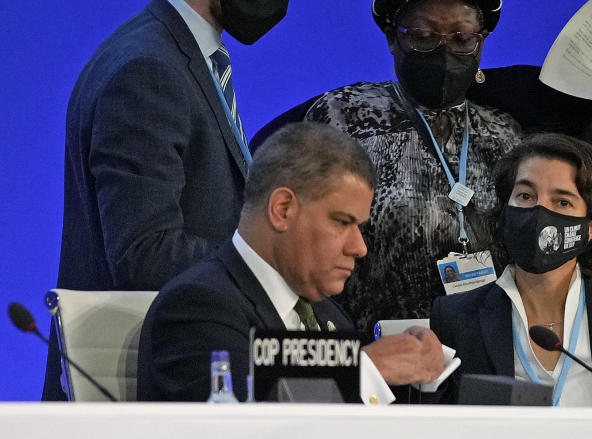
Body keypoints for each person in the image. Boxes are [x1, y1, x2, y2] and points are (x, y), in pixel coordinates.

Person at [252, 0, 592, 333]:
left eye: (462, 38)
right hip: (375, 355)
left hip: (491, 355)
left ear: (481, 41)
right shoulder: (342, 115)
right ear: (393, 38)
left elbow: (579, 218)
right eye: (424, 36)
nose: (443, 49)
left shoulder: (509, 128)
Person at [45, 0, 298, 400]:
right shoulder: (147, 71)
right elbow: (146, 251)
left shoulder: (183, 55)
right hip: (142, 387)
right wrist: (269, 264)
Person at [137, 122, 445, 403]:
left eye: (360, 228)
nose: (359, 247)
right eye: (341, 222)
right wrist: (364, 371)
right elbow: (240, 425)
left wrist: (414, 370)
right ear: (283, 209)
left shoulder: (331, 316)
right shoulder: (199, 307)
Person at [431, 133, 592, 407]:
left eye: (562, 202)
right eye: (525, 195)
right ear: (505, 210)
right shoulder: (456, 318)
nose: (539, 211)